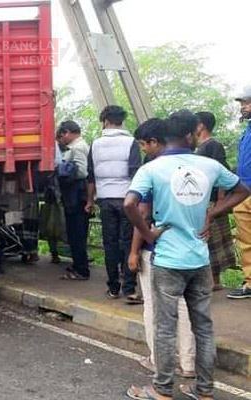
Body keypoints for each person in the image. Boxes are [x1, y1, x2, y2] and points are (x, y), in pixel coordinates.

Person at [124, 110, 250, 400]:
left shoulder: (152, 169)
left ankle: (162, 389)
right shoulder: (209, 165)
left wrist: (149, 233)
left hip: (167, 260)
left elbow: (130, 204)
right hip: (200, 260)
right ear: (190, 134)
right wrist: (212, 212)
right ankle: (204, 391)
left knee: (165, 328)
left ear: (165, 136)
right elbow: (242, 190)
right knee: (203, 327)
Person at [127, 118, 195, 378]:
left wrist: (134, 251)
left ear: (155, 142)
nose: (144, 150)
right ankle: (189, 364)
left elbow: (141, 212)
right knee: (185, 307)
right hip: (191, 250)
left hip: (159, 250)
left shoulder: (152, 170)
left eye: (144, 145)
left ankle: (158, 361)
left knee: (155, 308)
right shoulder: (196, 165)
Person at [86, 105, 142, 301]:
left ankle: (113, 287)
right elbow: (136, 173)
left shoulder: (96, 144)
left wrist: (89, 200)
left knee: (109, 243)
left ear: (105, 121)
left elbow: (90, 175)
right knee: (128, 242)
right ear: (121, 121)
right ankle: (130, 289)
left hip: (105, 200)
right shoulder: (131, 142)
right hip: (127, 198)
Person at [195, 111, 235, 291]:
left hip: (212, 201)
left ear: (201, 125)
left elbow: (221, 173)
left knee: (213, 239)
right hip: (200, 200)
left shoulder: (213, 145)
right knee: (205, 239)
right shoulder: (198, 147)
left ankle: (215, 280)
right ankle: (209, 279)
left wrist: (220, 201)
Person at [55, 120, 91, 280]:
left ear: (68, 132)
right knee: (75, 233)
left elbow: (82, 172)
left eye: (62, 136)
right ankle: (78, 265)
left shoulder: (77, 148)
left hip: (77, 195)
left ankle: (81, 270)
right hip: (75, 196)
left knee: (77, 233)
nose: (62, 140)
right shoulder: (77, 147)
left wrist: (64, 171)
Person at [228, 88, 251, 299]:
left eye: (247, 102)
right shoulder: (247, 132)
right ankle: (250, 282)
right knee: (246, 239)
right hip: (244, 191)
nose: (243, 107)